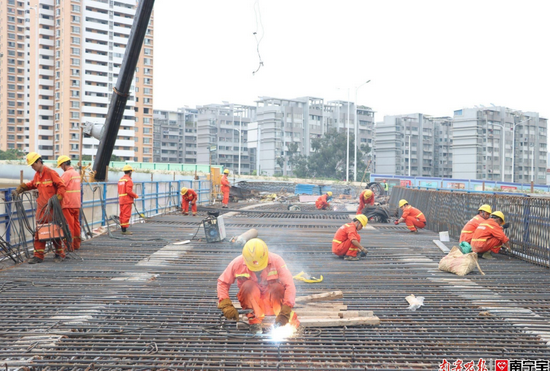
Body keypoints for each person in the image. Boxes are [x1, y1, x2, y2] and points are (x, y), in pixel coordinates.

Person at [217, 238, 298, 335]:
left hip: (272, 304)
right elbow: (222, 282)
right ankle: (255, 323)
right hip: (252, 304)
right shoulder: (237, 263)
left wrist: (286, 310)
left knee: (276, 288)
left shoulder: (276, 261)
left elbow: (290, 285)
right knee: (247, 286)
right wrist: (226, 305)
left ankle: (284, 319)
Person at [12, 152, 67, 264]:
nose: (33, 167)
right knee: (39, 232)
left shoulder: (51, 173)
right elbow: (33, 184)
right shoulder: (37, 175)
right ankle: (38, 256)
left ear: (39, 161)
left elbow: (62, 186)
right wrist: (21, 188)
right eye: (31, 165)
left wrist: (58, 198)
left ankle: (59, 254)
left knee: (54, 231)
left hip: (52, 209)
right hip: (41, 209)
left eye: (33, 164)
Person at [57, 155, 82, 251]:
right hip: (76, 203)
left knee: (68, 225)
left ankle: (68, 246)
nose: (61, 168)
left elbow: (61, 186)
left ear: (63, 164)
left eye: (61, 166)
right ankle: (76, 244)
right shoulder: (76, 173)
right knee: (76, 224)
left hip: (68, 204)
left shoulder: (67, 174)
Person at [118, 165, 138, 235]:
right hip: (127, 200)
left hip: (121, 199)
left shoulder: (121, 180)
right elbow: (128, 191)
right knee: (126, 214)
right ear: (130, 172)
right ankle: (124, 230)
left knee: (122, 214)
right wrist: (135, 195)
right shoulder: (129, 180)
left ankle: (122, 228)